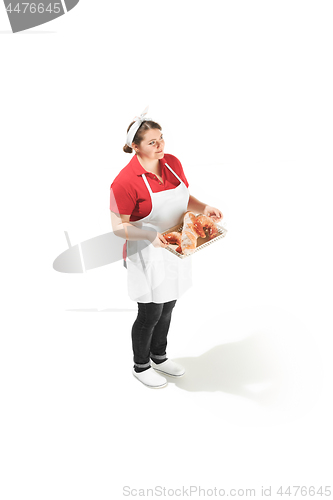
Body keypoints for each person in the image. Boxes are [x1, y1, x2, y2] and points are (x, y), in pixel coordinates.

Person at [110, 107, 223, 389]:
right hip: (145, 252)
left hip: (176, 245)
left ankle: (159, 357)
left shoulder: (172, 162)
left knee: (169, 304)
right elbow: (117, 227)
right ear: (134, 147)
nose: (160, 145)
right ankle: (141, 365)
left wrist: (204, 206)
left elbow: (185, 198)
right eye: (152, 142)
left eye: (161, 138)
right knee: (150, 312)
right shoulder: (124, 182)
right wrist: (148, 235)